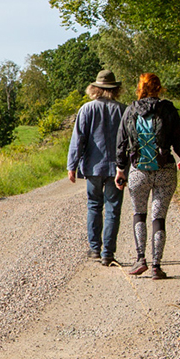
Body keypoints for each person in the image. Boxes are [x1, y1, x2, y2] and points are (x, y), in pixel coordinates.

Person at [115, 73, 180, 279]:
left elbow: (121, 142)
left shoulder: (130, 111)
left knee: (139, 213)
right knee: (159, 217)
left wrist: (120, 170)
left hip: (139, 170)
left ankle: (140, 259)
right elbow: (178, 137)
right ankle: (157, 266)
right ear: (159, 88)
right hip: (164, 169)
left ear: (139, 88)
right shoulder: (168, 110)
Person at [67, 70, 126, 266]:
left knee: (94, 205)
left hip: (93, 167)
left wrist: (72, 165)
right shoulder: (123, 110)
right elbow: (129, 141)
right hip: (117, 168)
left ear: (95, 89)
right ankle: (108, 253)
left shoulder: (87, 109)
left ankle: (94, 249)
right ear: (115, 89)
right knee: (113, 209)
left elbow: (78, 139)